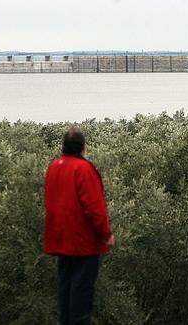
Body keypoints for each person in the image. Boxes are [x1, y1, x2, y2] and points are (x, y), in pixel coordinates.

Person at [43, 127, 114, 325]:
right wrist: (106, 233)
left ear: (64, 146)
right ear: (83, 147)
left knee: (65, 293)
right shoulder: (84, 169)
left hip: (60, 239)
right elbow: (94, 207)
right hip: (83, 242)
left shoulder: (54, 166)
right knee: (81, 298)